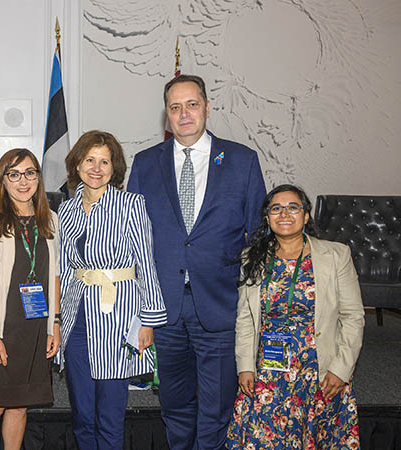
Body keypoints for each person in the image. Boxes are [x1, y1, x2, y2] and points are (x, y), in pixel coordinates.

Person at [127, 74, 266, 449]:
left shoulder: (242, 160)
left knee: (217, 406)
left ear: (206, 107)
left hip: (220, 305)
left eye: (191, 104)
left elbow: (258, 234)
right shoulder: (144, 163)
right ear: (166, 116)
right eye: (175, 107)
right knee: (174, 404)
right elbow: (133, 237)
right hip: (164, 306)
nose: (183, 113)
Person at [226, 184, 363, 449]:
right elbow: (245, 318)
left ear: (306, 215)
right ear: (267, 218)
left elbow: (353, 316)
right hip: (269, 368)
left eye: (293, 207)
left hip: (318, 368)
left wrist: (341, 369)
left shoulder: (336, 255)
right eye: (276, 208)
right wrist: (245, 365)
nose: (284, 214)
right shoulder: (252, 258)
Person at [58, 130, 167, 449]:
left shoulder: (131, 204)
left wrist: (148, 321)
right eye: (89, 159)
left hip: (117, 318)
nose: (96, 167)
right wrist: (56, 320)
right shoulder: (66, 210)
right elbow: (65, 269)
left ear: (114, 168)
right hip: (76, 319)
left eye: (104, 161)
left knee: (109, 416)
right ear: (76, 164)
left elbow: (147, 263)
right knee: (82, 415)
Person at [0, 148, 61, 449]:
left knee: (20, 405)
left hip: (34, 327)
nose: (23, 181)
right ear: (2, 180)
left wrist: (54, 325)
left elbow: (54, 277)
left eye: (30, 173)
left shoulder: (51, 220)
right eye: (14, 174)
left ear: (38, 178)